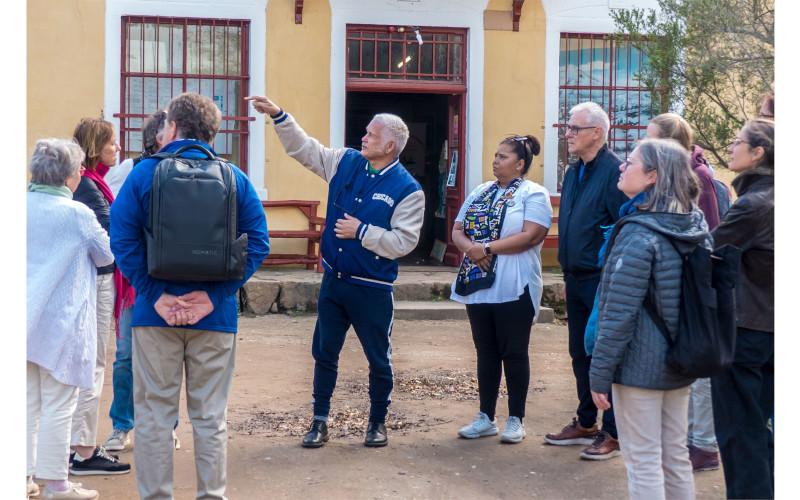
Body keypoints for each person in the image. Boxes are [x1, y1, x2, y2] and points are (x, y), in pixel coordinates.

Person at [110, 92, 270, 499]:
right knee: (210, 418)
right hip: (215, 318)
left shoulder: (143, 175)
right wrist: (215, 297)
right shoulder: (235, 177)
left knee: (153, 418)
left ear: (173, 128)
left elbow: (122, 239)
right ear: (212, 133)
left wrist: (156, 294)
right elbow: (258, 243)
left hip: (153, 315)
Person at [246, 94, 424, 448]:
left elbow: (404, 242)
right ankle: (320, 420)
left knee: (379, 358)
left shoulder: (409, 190)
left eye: (371, 134)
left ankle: (377, 423)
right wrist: (280, 115)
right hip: (335, 282)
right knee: (324, 352)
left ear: (389, 145)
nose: (364, 137)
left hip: (372, 288)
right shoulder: (345, 161)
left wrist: (361, 232)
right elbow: (305, 149)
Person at [590, 138, 710, 500]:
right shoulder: (694, 227)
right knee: (674, 455)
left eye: (630, 163)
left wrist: (600, 371)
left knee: (642, 459)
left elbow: (619, 313)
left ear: (652, 176)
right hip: (682, 357)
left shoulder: (639, 233)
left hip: (640, 366)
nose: (622, 167)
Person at [450, 135, 551, 444]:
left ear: (520, 164)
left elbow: (531, 235)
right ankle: (485, 416)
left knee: (515, 351)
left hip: (514, 283)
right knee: (486, 351)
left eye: (503, 156)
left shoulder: (533, 194)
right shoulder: (481, 191)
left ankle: (516, 418)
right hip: (478, 283)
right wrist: (471, 249)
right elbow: (457, 229)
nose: (495, 160)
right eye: (495, 154)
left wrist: (488, 248)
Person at [27, 138, 111, 500]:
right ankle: (56, 484)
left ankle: (21, 477)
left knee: (26, 403)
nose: (81, 174)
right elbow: (106, 256)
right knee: (60, 404)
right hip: (62, 322)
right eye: (78, 169)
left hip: (21, 320)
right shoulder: (77, 214)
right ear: (67, 175)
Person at [545, 102, 627, 460]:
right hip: (575, 275)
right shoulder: (574, 171)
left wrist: (605, 276)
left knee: (602, 355)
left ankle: (613, 432)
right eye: (567, 128)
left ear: (597, 132)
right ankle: (586, 420)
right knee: (579, 351)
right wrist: (568, 270)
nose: (568, 134)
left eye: (574, 128)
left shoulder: (615, 172)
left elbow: (620, 227)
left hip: (601, 279)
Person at [646, 112, 721, 471]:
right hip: (680, 283)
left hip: (696, 286)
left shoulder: (699, 177)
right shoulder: (672, 176)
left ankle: (704, 444)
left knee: (700, 364)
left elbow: (704, 234)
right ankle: (690, 440)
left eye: (651, 139)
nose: (645, 146)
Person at [103, 110, 182, 453]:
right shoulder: (131, 170)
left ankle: (166, 425)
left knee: (166, 357)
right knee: (125, 356)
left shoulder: (186, 170)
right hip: (135, 278)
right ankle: (122, 425)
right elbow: (114, 218)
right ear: (157, 137)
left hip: (170, 275)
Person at [710, 118, 774, 499]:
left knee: (740, 431)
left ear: (758, 152)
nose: (731, 148)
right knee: (761, 427)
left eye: (738, 142)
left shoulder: (753, 204)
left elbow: (709, 253)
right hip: (770, 329)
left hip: (746, 330)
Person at [69, 118, 132, 476]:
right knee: (94, 363)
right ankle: (83, 450)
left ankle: (77, 446)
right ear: (95, 147)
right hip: (100, 279)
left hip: (96, 279)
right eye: (111, 144)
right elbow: (110, 241)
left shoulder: (95, 183)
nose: (118, 149)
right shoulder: (91, 189)